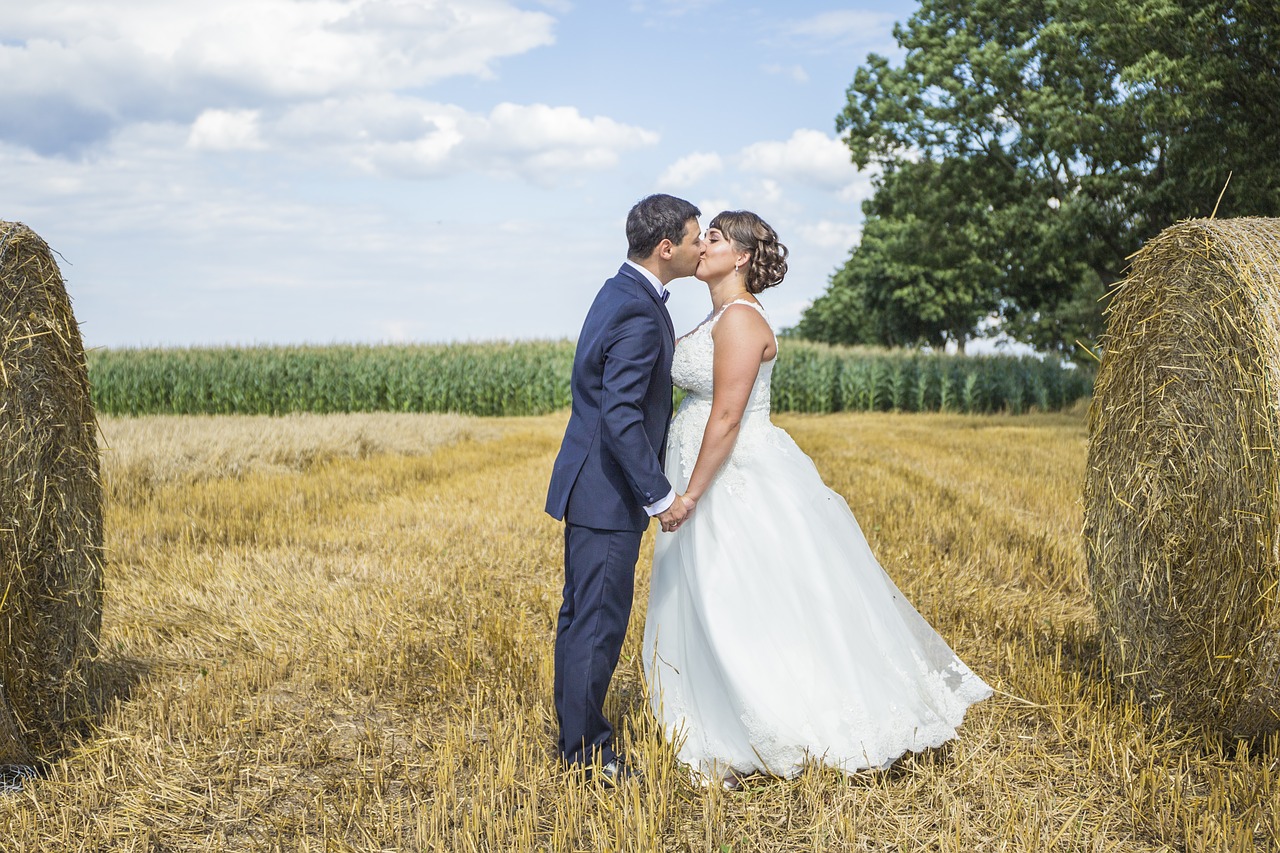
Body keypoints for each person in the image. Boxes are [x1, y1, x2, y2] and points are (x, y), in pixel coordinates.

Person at [643, 210, 993, 787]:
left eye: (714, 238)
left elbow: (727, 417)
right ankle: (713, 713)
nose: (700, 244)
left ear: (743, 257)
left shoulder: (740, 320)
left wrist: (691, 495)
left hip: (730, 478)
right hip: (701, 469)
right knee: (707, 596)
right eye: (702, 236)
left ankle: (771, 719)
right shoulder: (714, 316)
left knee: (734, 596)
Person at [545, 193, 704, 785]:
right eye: (693, 238)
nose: (698, 246)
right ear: (666, 248)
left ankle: (574, 736)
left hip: (591, 487)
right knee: (598, 621)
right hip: (608, 493)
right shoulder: (638, 309)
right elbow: (621, 418)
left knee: (583, 615)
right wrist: (660, 496)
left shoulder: (620, 291)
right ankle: (587, 754)